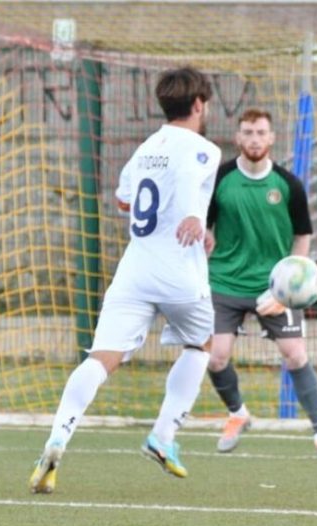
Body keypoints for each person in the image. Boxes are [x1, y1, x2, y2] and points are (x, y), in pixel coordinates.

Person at [28, 67, 222, 494]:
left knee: (101, 359)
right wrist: (192, 215)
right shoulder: (204, 148)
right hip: (178, 272)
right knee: (201, 345)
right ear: (198, 105)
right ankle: (163, 437)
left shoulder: (146, 148)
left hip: (134, 270)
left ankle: (57, 438)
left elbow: (122, 199)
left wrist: (180, 215)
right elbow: (191, 177)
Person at [202, 108, 317, 459]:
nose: (254, 139)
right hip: (224, 281)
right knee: (215, 357)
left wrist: (287, 289)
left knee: (294, 355)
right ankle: (238, 414)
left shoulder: (288, 184)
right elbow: (204, 227)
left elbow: (302, 236)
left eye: (261, 133)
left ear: (272, 138)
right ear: (237, 138)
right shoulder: (220, 179)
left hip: (273, 286)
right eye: (247, 132)